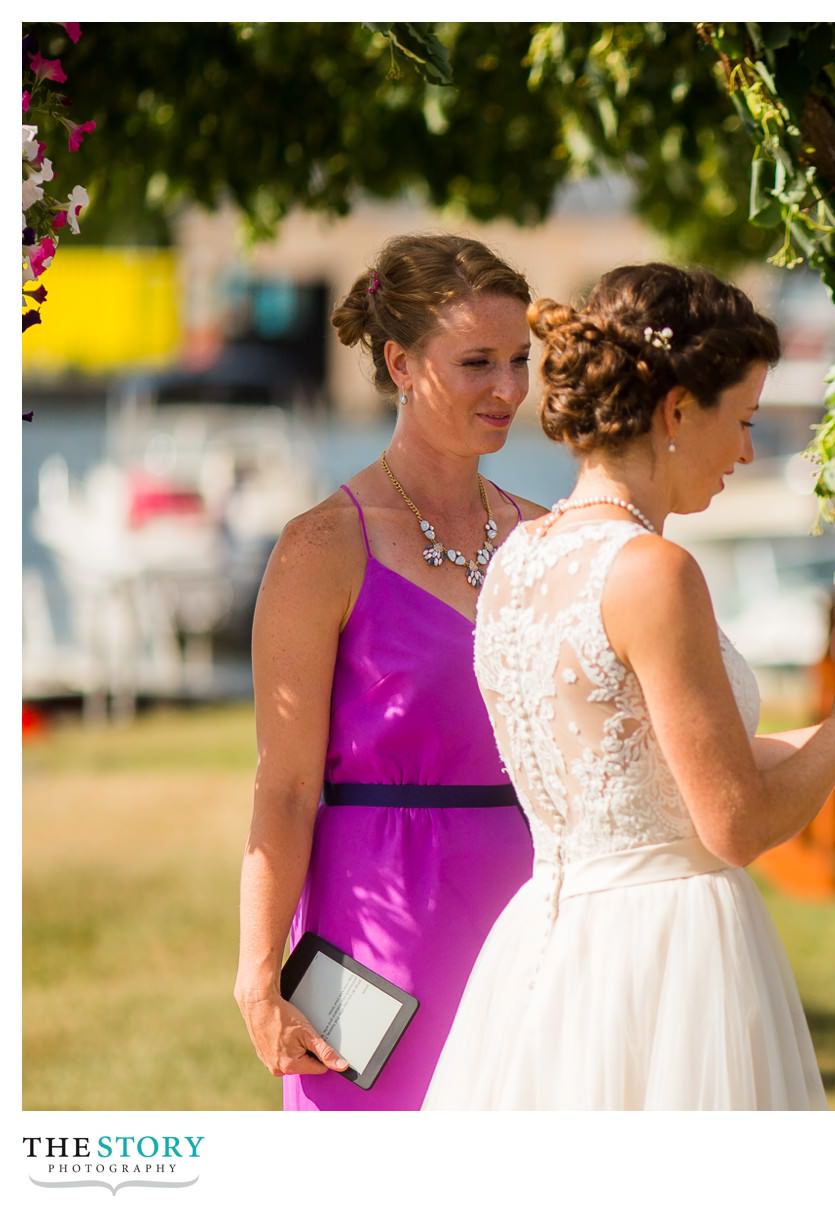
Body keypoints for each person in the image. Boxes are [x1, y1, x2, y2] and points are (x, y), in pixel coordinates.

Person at [422, 263, 835, 1110]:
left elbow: (663, 768)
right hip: (666, 959)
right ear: (677, 411)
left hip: (553, 952)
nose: (749, 450)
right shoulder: (653, 571)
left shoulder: (517, 560)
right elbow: (736, 825)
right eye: (745, 420)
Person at [234, 233, 545, 1110]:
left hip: (535, 921)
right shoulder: (321, 548)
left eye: (521, 359)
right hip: (371, 933)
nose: (510, 389)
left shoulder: (547, 536)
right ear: (401, 362)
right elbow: (284, 789)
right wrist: (258, 974)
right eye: (479, 361)